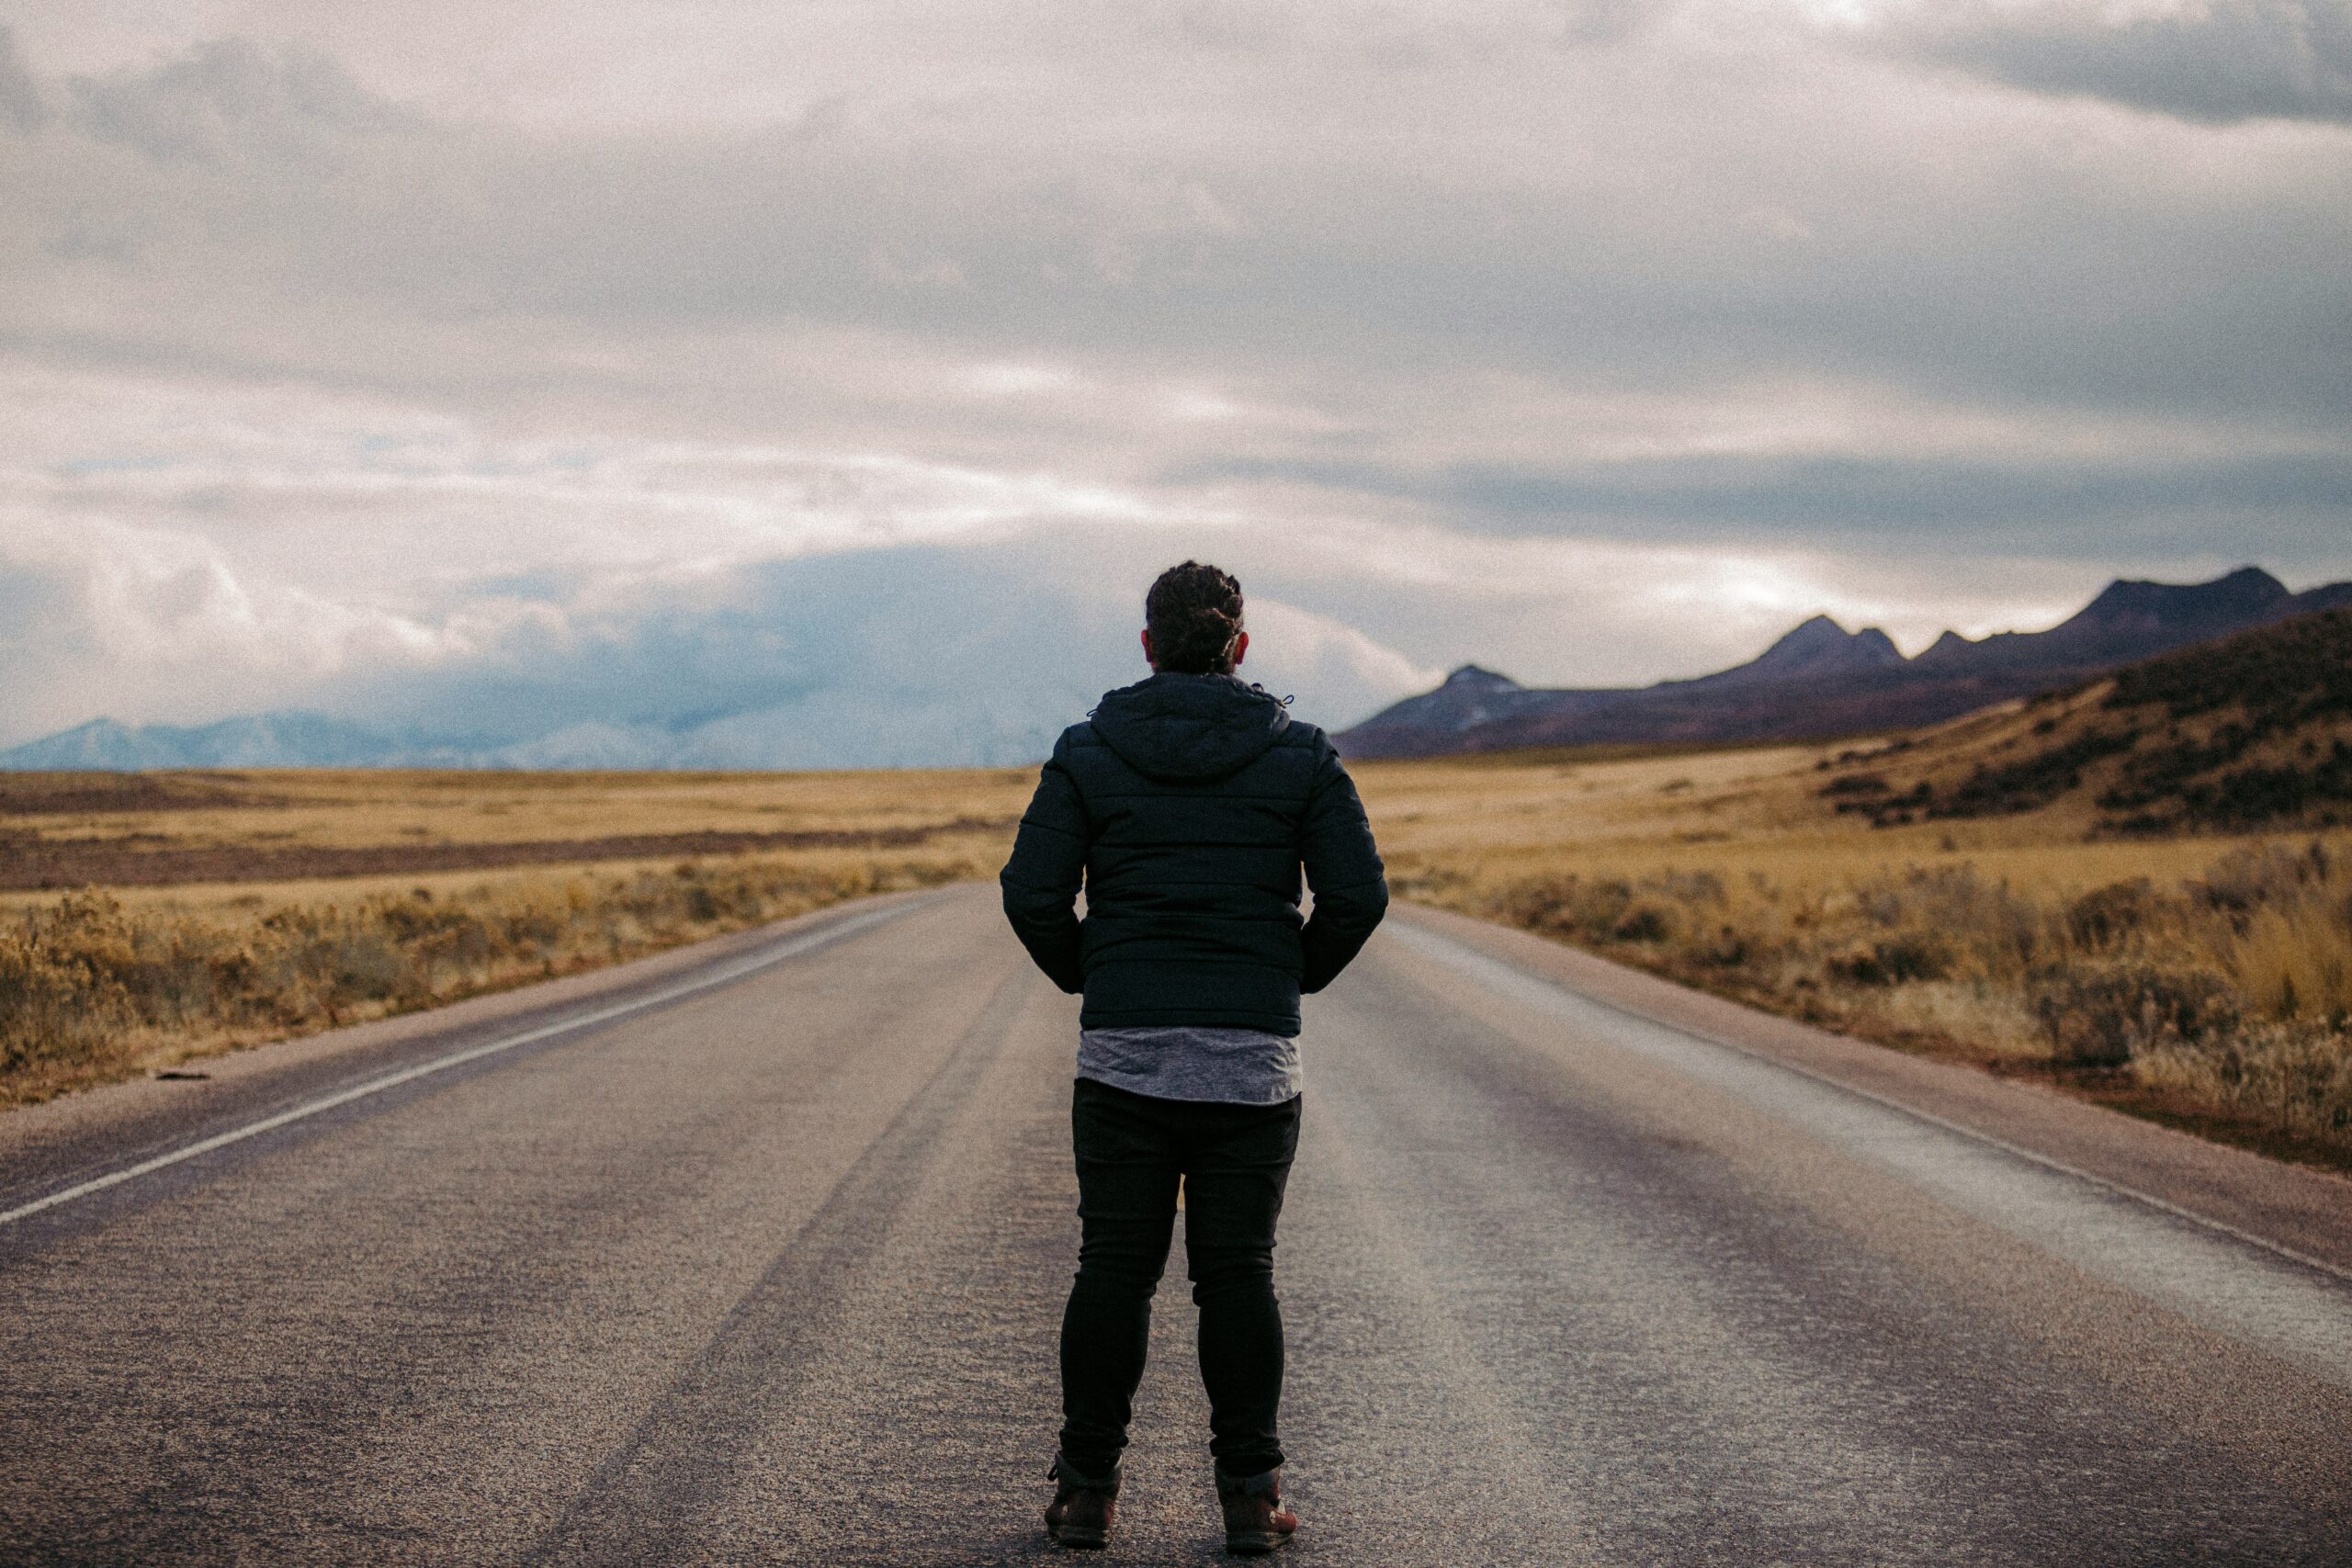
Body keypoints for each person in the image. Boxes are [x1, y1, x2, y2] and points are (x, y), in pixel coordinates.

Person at [1000, 561, 1389, 1554]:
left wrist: (1098, 976)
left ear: (1145, 646)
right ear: (1240, 647)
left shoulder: (1088, 753)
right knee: (1238, 1277)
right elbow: (1357, 898)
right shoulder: (1301, 756)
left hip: (1123, 1059)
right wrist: (1282, 982)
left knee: (1112, 1271)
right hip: (1250, 1065)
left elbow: (1031, 893)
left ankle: (1086, 1492)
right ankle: (1250, 1500)